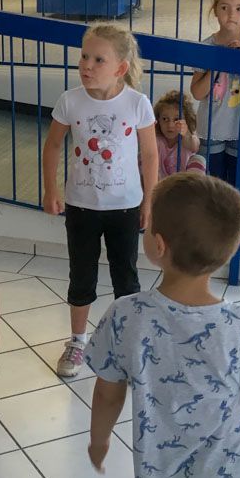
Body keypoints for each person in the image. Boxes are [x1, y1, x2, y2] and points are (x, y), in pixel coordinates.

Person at [85, 173, 240, 478]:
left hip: (160, 469)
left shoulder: (125, 315)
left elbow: (107, 395)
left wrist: (99, 442)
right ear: (230, 250)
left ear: (158, 245)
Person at [42, 23, 158, 378]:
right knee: (81, 275)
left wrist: (149, 202)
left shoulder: (137, 104)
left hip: (125, 207)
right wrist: (51, 189)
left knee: (126, 277)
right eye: (84, 57)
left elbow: (150, 155)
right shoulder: (70, 100)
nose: (86, 65)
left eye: (98, 60)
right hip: (81, 207)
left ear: (120, 68)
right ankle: (78, 340)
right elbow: (53, 145)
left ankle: (128, 341)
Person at [191, 0, 240, 254]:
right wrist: (216, 64)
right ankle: (222, 227)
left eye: (239, 8)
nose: (231, 14)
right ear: (215, 10)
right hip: (212, 127)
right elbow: (197, 92)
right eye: (224, 7)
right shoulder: (207, 45)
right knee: (216, 180)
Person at [153, 90, 206, 179]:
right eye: (165, 119)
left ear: (187, 120)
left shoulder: (188, 139)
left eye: (176, 119)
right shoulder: (157, 140)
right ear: (158, 120)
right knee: (143, 158)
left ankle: (194, 187)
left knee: (199, 159)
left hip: (184, 183)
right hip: (161, 183)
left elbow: (194, 146)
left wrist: (186, 134)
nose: (170, 125)